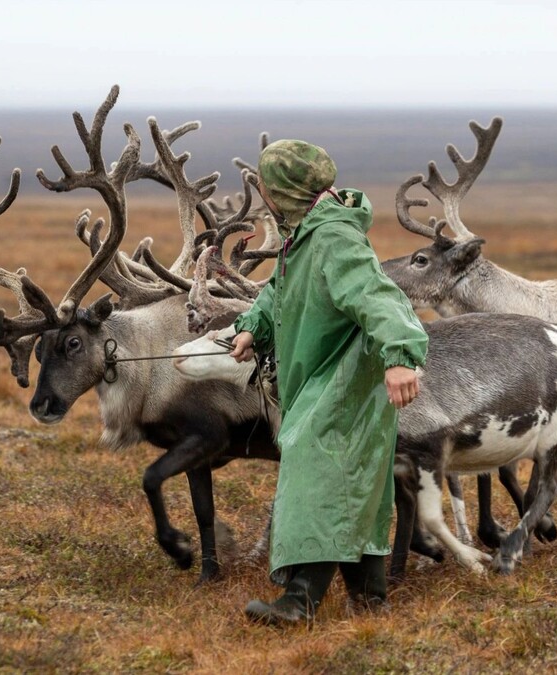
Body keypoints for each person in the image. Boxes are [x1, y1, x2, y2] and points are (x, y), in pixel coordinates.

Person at [230, 139, 428, 625]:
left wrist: (402, 356)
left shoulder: (333, 236)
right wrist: (253, 328)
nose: (263, 195)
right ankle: (371, 599)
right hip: (320, 374)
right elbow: (281, 288)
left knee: (316, 472)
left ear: (282, 190)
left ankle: (300, 600)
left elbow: (376, 294)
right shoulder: (304, 232)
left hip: (345, 380)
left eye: (266, 186)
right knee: (354, 484)